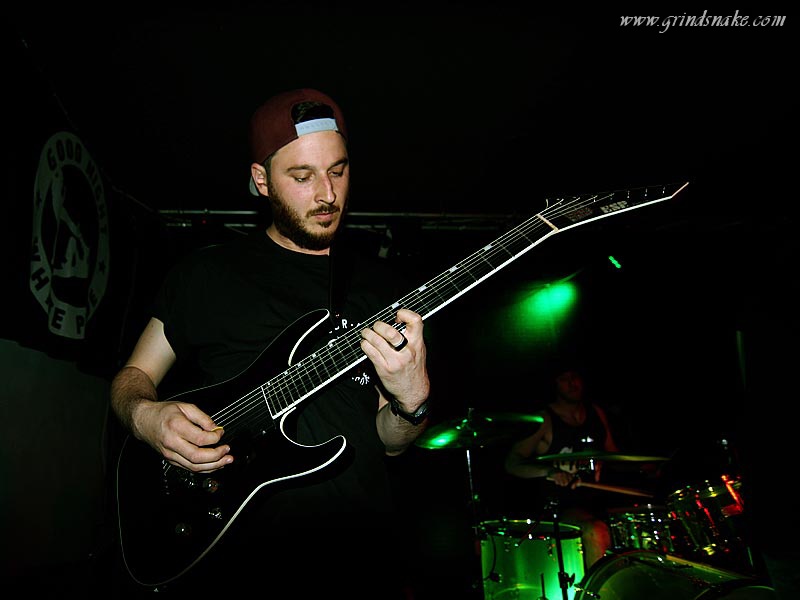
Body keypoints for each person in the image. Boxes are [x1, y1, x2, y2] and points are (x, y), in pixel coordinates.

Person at [109, 88, 431, 599]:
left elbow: (391, 443)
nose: (327, 194)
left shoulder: (382, 290)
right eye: (302, 177)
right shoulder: (204, 275)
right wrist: (146, 417)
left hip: (360, 559)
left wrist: (412, 400)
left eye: (338, 170)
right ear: (262, 180)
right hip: (231, 557)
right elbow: (133, 378)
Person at [503, 365, 620, 572]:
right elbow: (512, 463)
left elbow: (613, 454)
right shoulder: (545, 420)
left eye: (575, 376)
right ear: (554, 384)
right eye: (564, 379)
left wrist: (643, 466)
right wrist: (550, 472)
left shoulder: (596, 413)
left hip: (598, 501)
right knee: (596, 531)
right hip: (560, 506)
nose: (571, 383)